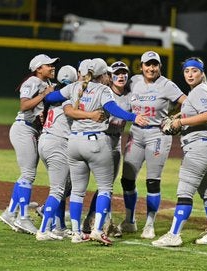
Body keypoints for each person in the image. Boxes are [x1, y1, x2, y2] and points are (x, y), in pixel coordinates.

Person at [44, 58, 148, 245]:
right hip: (95, 142)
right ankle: (98, 230)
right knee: (105, 188)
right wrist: (134, 117)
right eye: (108, 74)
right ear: (102, 75)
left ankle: (76, 233)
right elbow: (112, 109)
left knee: (77, 191)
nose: (110, 76)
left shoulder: (75, 86)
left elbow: (51, 98)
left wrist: (52, 92)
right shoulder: (103, 89)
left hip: (74, 142)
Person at [152, 57, 207, 247]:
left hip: (199, 147)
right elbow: (203, 114)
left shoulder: (199, 91)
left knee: (185, 191)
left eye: (194, 70)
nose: (190, 74)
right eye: (187, 71)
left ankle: (174, 235)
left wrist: (180, 122)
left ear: (202, 73)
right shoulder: (200, 91)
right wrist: (179, 116)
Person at [118, 51, 186, 239]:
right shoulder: (134, 81)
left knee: (152, 181)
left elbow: (186, 102)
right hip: (136, 133)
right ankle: (130, 220)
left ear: (160, 67)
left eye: (155, 64)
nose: (151, 68)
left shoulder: (166, 85)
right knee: (127, 180)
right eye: (148, 64)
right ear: (141, 67)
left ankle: (149, 224)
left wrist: (175, 116)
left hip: (158, 134)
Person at [36, 65, 105, 241]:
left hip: (46, 140)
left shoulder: (58, 93)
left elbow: (51, 98)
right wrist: (91, 115)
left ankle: (59, 226)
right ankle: (44, 229)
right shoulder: (71, 93)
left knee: (64, 185)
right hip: (58, 142)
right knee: (59, 189)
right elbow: (71, 111)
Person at [0, 54, 58, 235]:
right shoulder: (32, 81)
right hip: (23, 129)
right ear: (39, 68)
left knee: (27, 174)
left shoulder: (46, 84)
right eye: (49, 65)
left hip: (31, 130)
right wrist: (44, 95)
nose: (53, 67)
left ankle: (10, 213)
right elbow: (24, 106)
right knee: (28, 174)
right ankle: (22, 218)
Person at [81, 61, 132, 238]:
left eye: (124, 73)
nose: (121, 76)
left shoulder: (129, 96)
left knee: (107, 185)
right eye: (117, 73)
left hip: (115, 141)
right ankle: (53, 214)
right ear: (109, 76)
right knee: (77, 182)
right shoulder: (102, 91)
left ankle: (96, 222)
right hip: (97, 139)